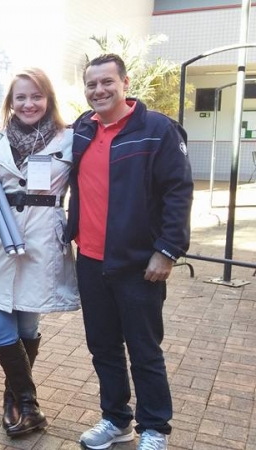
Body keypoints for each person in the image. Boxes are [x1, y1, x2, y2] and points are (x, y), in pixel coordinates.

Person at [67, 54, 192, 450]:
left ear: (125, 83)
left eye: (107, 82)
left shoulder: (157, 129)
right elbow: (46, 138)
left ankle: (155, 428)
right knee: (103, 347)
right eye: (91, 85)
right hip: (91, 260)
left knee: (144, 350)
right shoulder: (82, 129)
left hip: (139, 264)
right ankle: (116, 420)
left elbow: (178, 192)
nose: (99, 90)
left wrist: (167, 250)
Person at [0, 67, 80, 437]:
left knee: (28, 326)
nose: (28, 103)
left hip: (41, 241)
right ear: (10, 102)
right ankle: (30, 403)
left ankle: (13, 401)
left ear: (48, 99)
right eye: (21, 97)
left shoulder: (70, 139)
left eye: (36, 96)